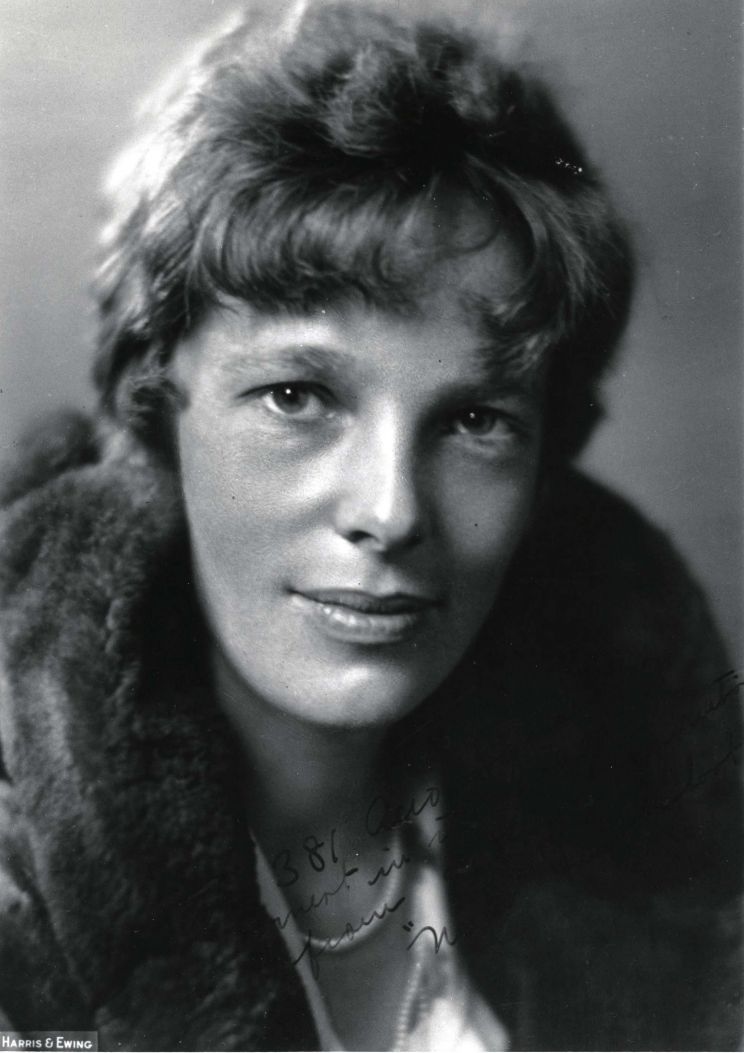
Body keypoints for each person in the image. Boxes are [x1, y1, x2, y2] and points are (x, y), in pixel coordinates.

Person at [0, 1, 740, 1049]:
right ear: (157, 408)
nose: (391, 511)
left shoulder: (652, 834)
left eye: (476, 420)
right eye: (298, 396)